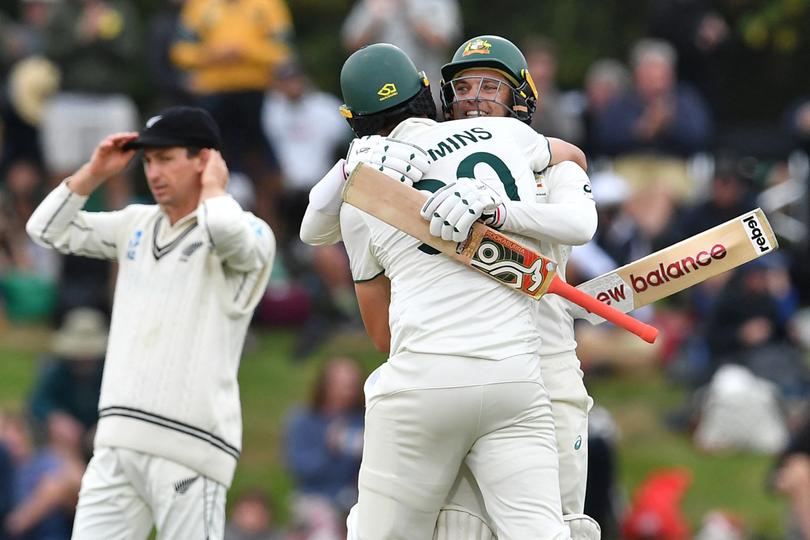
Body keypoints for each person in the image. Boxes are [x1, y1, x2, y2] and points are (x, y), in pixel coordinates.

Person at [300, 36, 600, 539]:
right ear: (431, 94)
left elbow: (316, 234)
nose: (476, 97)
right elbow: (573, 163)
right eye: (464, 86)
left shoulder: (361, 191)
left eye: (490, 85)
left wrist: (351, 171)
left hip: (441, 379)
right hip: (519, 379)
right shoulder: (510, 138)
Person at [26, 106, 275, 539]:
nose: (153, 173)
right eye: (147, 161)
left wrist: (215, 187)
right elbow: (45, 229)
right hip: (116, 443)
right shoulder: (135, 224)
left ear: (204, 160)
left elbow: (226, 234)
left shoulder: (250, 232)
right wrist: (93, 172)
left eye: (165, 158)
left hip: (191, 447)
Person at [284, 357, 364, 536]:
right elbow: (300, 470)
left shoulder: (365, 419)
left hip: (357, 498)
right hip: (314, 497)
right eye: (341, 384)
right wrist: (329, 449)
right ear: (325, 385)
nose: (348, 391)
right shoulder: (304, 420)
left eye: (352, 384)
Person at [28, 307, 107, 461]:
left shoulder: (109, 371)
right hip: (68, 442)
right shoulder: (58, 368)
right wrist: (56, 418)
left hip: (101, 438)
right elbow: (38, 401)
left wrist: (104, 424)